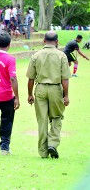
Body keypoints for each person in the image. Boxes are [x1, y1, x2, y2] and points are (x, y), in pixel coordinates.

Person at [26, 31, 71, 159]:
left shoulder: (36, 55)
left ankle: (43, 151)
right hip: (56, 88)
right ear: (56, 42)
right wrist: (66, 96)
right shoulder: (62, 56)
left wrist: (30, 94)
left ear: (44, 41)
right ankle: (52, 144)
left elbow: (30, 78)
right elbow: (65, 79)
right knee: (56, 117)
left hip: (40, 88)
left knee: (42, 120)